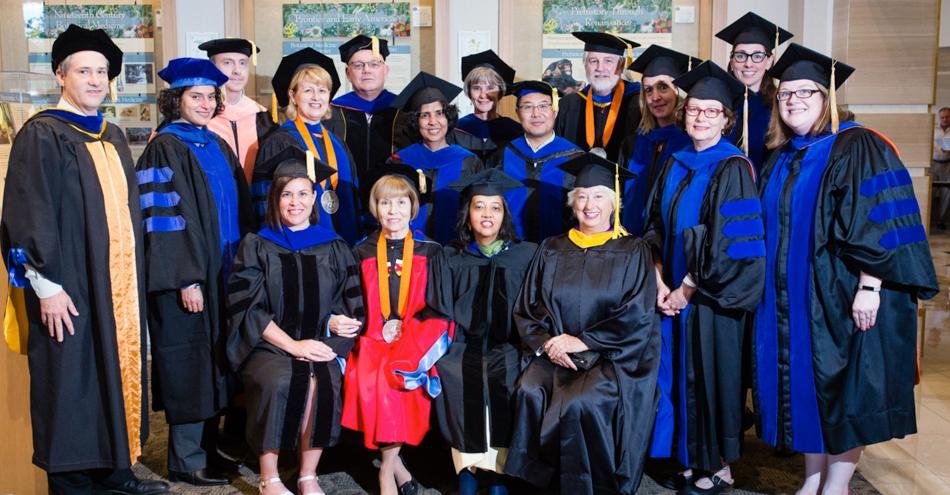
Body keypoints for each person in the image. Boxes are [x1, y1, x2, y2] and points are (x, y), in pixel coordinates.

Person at [755, 43, 939, 495]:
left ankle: (836, 485)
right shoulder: (780, 155)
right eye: (785, 94)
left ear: (827, 97)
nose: (793, 100)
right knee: (805, 390)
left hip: (839, 296)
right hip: (791, 299)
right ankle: (812, 479)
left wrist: (870, 287)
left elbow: (880, 220)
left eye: (805, 92)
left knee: (841, 391)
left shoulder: (858, 145)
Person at [0, 24, 169, 495]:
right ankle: (73, 482)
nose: (96, 80)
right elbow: (26, 213)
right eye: (84, 71)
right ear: (61, 75)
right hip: (67, 284)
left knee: (113, 370)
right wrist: (44, 285)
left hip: (115, 288)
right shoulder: (43, 134)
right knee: (70, 380)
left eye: (102, 72)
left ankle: (116, 471)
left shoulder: (111, 134)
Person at [642, 61, 766, 494]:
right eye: (694, 108)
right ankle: (687, 456)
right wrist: (658, 278)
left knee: (712, 375)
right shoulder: (675, 159)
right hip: (672, 291)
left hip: (712, 298)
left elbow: (730, 242)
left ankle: (718, 465)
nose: (699, 117)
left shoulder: (733, 166)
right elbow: (654, 223)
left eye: (711, 111)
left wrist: (686, 290)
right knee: (677, 373)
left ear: (727, 119)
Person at [504, 152, 660, 494]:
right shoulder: (552, 247)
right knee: (529, 390)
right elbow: (529, 306)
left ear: (614, 202)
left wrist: (585, 342)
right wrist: (548, 343)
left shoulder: (633, 250)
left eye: (599, 195)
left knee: (580, 403)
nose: (590, 205)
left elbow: (638, 314)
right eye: (583, 196)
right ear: (572, 203)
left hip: (609, 358)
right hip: (555, 354)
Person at [136, 57, 254, 486]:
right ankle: (185, 459)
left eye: (210, 97)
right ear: (176, 100)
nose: (205, 104)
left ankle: (209, 449)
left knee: (217, 361)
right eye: (195, 96)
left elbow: (241, 207)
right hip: (189, 278)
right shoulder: (165, 146)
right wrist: (186, 277)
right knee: (189, 361)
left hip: (223, 271)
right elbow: (161, 220)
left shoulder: (215, 144)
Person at [226, 146, 364, 495]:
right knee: (278, 381)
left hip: (318, 341)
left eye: (303, 193)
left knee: (324, 380)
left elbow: (348, 304)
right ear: (275, 198)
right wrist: (293, 345)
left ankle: (307, 475)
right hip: (269, 345)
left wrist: (334, 324)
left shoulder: (334, 246)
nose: (295, 202)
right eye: (286, 194)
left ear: (315, 198)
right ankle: (269, 476)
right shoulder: (257, 245)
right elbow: (248, 308)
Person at [340, 161, 454, 495]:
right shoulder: (358, 250)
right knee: (368, 376)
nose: (393, 210)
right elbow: (351, 303)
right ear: (375, 208)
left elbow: (439, 308)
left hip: (419, 335)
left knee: (396, 376)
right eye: (385, 202)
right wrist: (374, 331)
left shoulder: (431, 251)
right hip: (370, 335)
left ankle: (385, 470)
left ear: (412, 208)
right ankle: (397, 466)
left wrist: (407, 331)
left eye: (401, 202)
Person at [434, 169, 537, 495]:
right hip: (463, 346)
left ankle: (499, 476)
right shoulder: (450, 257)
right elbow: (440, 310)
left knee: (507, 376)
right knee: (457, 374)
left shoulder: (526, 255)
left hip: (510, 345)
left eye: (495, 207)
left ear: (505, 213)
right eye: (479, 207)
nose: (487, 215)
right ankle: (468, 469)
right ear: (467, 214)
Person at [253, 48, 362, 244]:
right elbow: (266, 203)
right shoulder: (279, 142)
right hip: (297, 250)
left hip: (343, 245)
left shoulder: (338, 143)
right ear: (293, 96)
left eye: (322, 90)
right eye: (308, 90)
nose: (316, 97)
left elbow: (354, 198)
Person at [617, 45, 701, 236]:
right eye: (648, 90)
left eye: (663, 87)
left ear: (679, 91)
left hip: (674, 241)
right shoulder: (632, 144)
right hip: (633, 243)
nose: (655, 97)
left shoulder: (692, 144)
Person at [391, 72, 483, 244]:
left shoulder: (468, 161)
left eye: (439, 113)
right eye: (425, 115)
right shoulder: (400, 162)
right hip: (410, 252)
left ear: (448, 117)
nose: (433, 121)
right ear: (415, 121)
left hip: (455, 251)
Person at [487, 80, 583, 243]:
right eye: (528, 107)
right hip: (511, 252)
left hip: (560, 253)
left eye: (543, 106)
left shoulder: (576, 158)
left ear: (555, 111)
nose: (536, 114)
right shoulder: (503, 156)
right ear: (518, 113)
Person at [715, 12, 793, 172]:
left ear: (769, 61)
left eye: (757, 56)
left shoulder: (782, 106)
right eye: (741, 56)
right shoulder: (716, 104)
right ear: (732, 61)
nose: (748, 64)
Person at [326, 35, 411, 181]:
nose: (366, 70)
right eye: (358, 65)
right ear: (348, 73)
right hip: (344, 196)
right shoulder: (330, 113)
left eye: (374, 64)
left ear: (386, 70)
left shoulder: (405, 111)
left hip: (393, 197)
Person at [555, 32, 642, 161]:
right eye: (593, 61)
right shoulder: (568, 105)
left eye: (608, 61)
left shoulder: (638, 104)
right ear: (585, 66)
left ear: (621, 66)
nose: (600, 68)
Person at [201, 38, 276, 184]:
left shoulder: (261, 117)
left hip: (255, 202)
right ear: (212, 67)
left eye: (243, 63)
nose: (237, 70)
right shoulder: (201, 116)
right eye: (227, 62)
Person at [451, 50, 522, 161]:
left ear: (500, 92)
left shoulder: (515, 131)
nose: (483, 95)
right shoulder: (456, 130)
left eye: (490, 88)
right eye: (476, 88)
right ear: (469, 92)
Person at [933, 106, 950, 229]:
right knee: (931, 190)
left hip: (948, 164)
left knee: (946, 193)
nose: (944, 119)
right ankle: (928, 220)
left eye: (947, 117)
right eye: (942, 117)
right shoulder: (933, 129)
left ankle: (941, 221)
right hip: (934, 163)